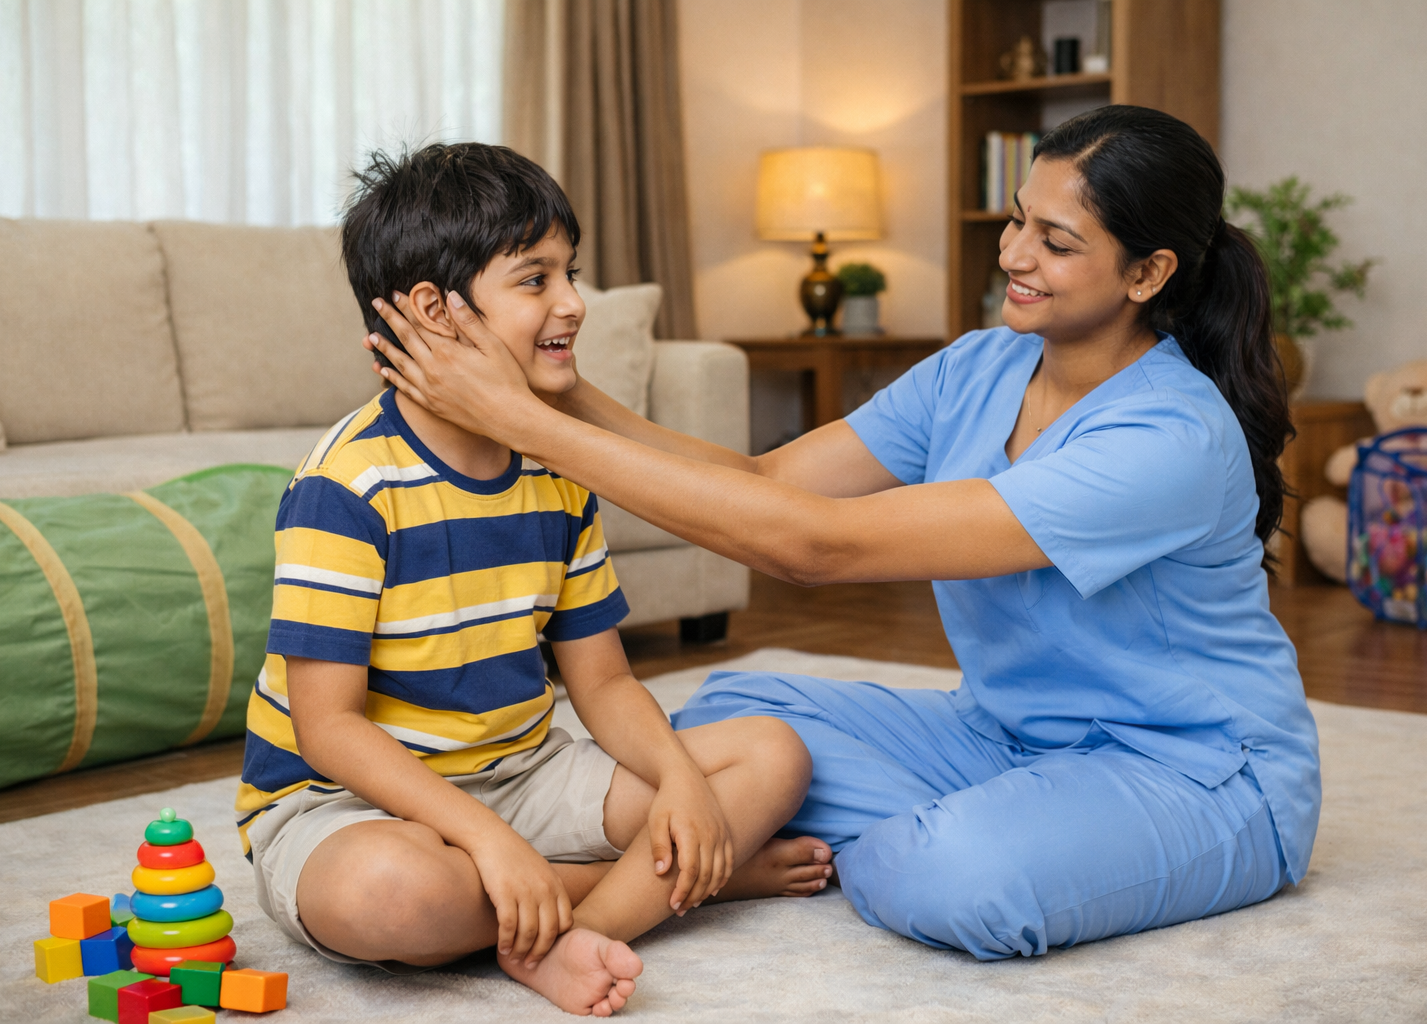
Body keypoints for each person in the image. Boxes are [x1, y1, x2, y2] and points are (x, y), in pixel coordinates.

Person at [362, 106, 1322, 962]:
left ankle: (974, 838)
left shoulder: (1169, 436)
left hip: (1195, 773)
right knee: (731, 720)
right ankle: (960, 828)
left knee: (951, 877)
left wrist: (526, 424)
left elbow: (817, 547)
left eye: (1057, 241)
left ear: (1149, 272)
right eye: (1017, 219)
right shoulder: (981, 366)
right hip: (1001, 738)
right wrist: (570, 396)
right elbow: (768, 482)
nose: (1015, 255)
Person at [235, 143, 827, 1017]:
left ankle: (563, 915)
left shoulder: (557, 471)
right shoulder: (345, 486)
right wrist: (485, 841)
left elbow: (607, 681)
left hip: (525, 772)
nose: (573, 304)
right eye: (536, 279)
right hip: (348, 801)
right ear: (433, 312)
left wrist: (683, 784)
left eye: (571, 273)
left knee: (772, 755)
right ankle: (672, 885)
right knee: (389, 892)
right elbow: (327, 730)